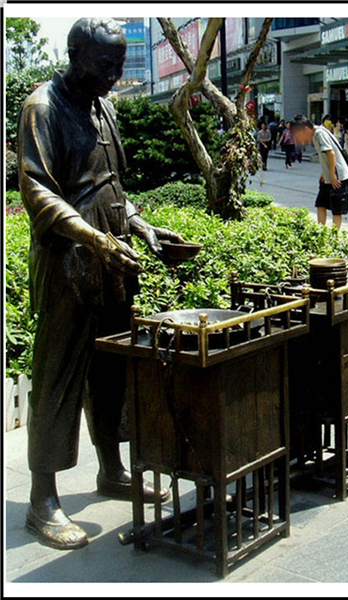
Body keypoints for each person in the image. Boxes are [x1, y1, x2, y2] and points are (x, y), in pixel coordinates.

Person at [17, 17, 184, 550]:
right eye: (105, 65)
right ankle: (42, 500)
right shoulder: (43, 108)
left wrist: (142, 225)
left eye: (119, 65)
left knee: (112, 368)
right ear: (76, 57)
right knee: (58, 377)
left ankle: (111, 469)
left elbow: (112, 186)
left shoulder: (103, 106)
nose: (115, 76)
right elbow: (38, 191)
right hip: (68, 263)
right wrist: (91, 238)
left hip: (113, 258)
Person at [291, 114, 348, 229]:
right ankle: (321, 230)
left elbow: (331, 153)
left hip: (338, 176)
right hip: (329, 176)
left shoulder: (319, 133)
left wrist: (333, 175)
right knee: (321, 204)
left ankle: (334, 235)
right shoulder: (318, 131)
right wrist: (324, 173)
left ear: (305, 129)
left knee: (336, 209)